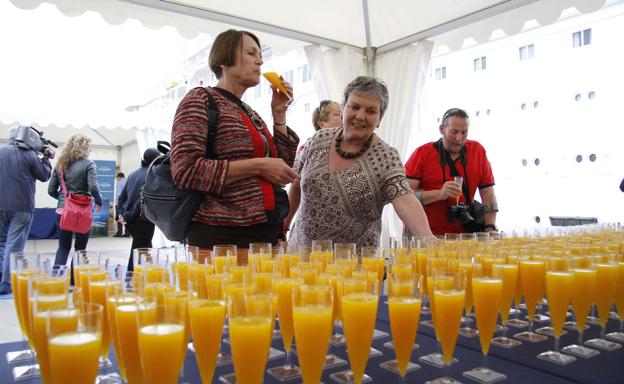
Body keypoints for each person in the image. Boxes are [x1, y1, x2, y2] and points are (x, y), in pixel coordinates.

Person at [170, 29, 299, 258]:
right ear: (224, 60)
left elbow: (284, 166)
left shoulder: (249, 111)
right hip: (222, 240)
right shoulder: (200, 99)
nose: (260, 60)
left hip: (266, 235)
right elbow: (185, 170)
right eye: (251, 53)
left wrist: (279, 115)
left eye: (260, 54)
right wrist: (258, 166)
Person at [288, 76, 433, 247]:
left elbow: (405, 200)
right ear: (343, 109)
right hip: (301, 258)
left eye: (371, 111)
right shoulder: (317, 140)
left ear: (380, 118)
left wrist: (427, 238)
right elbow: (296, 183)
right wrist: (283, 224)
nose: (360, 116)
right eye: (354, 107)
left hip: (355, 267)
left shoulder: (386, 157)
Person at [405, 108, 498, 235]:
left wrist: (490, 227)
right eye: (454, 132)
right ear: (442, 129)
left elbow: (488, 193)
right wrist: (440, 194)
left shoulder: (477, 151)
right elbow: (405, 196)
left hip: (464, 234)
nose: (459, 138)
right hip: (426, 235)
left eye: (464, 133)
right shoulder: (422, 153)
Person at [0, 131, 53, 294]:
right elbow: (44, 175)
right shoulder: (29, 155)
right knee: (14, 245)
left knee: (2, 243)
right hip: (22, 206)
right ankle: (6, 284)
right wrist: (46, 158)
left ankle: (2, 276)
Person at [284, 99, 342, 233]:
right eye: (338, 114)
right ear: (322, 123)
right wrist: (285, 225)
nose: (343, 117)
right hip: (311, 230)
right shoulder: (307, 149)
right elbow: (295, 185)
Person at [48, 134, 103, 267]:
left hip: (63, 211)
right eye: (89, 148)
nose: (90, 151)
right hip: (82, 212)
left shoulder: (61, 164)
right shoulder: (89, 164)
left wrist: (63, 200)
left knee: (63, 247)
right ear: (84, 148)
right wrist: (99, 202)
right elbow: (93, 187)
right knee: (80, 249)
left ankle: (57, 279)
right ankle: (75, 281)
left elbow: (51, 190)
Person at [117, 148, 159, 271]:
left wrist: (120, 214)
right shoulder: (151, 175)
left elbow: (122, 197)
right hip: (143, 219)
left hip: (132, 221)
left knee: (145, 246)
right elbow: (141, 200)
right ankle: (131, 278)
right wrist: (128, 215)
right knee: (138, 250)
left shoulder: (132, 174)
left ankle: (152, 271)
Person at [113, 172, 127, 237]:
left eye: (117, 178)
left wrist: (118, 204)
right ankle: (127, 233)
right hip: (127, 203)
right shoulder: (128, 182)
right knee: (126, 217)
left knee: (119, 217)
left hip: (120, 204)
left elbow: (119, 194)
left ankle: (119, 232)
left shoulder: (120, 182)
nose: (117, 180)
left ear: (119, 177)